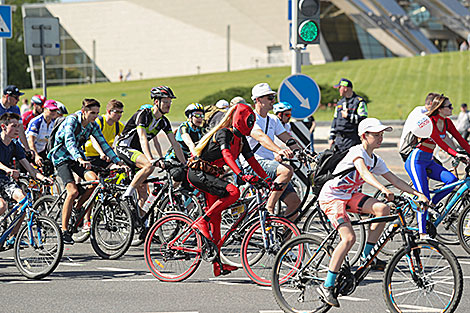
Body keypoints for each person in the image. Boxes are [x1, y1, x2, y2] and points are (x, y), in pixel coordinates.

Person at [317, 118, 429, 308]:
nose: (381, 138)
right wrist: (382, 189)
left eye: (381, 134)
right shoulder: (357, 151)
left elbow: (394, 179)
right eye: (376, 135)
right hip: (332, 196)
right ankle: (326, 285)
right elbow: (364, 173)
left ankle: (367, 257)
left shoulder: (375, 159)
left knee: (382, 209)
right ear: (364, 136)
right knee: (348, 238)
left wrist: (417, 194)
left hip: (349, 195)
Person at [188, 103, 270, 276]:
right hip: (198, 174)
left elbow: (253, 161)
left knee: (216, 224)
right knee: (234, 192)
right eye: (249, 120)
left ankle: (218, 265)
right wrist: (241, 174)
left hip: (212, 177)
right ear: (241, 119)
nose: (251, 123)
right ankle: (201, 221)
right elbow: (226, 155)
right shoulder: (224, 133)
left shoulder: (241, 140)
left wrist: (268, 180)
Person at [48, 98, 124, 245]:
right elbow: (69, 140)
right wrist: (79, 158)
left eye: (97, 113)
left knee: (95, 182)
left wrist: (117, 161)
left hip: (78, 158)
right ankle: (64, 231)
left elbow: (103, 143)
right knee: (72, 192)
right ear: (84, 112)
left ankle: (77, 209)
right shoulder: (72, 121)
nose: (95, 116)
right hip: (62, 157)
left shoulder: (92, 125)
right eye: (92, 113)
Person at [405, 94, 470, 238]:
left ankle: (431, 205)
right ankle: (422, 234)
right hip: (416, 161)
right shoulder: (430, 121)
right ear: (440, 109)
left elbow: (461, 140)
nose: (452, 108)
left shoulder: (447, 123)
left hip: (428, 160)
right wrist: (456, 154)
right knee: (423, 196)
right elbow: (440, 143)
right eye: (449, 106)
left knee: (452, 180)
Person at [116, 86, 186, 209]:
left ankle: (141, 223)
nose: (168, 105)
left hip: (137, 152)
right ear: (156, 102)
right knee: (148, 166)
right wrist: (150, 158)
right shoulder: (143, 115)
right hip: (124, 147)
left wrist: (184, 163)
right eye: (165, 101)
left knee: (144, 195)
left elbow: (175, 143)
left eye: (170, 102)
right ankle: (126, 196)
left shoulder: (164, 121)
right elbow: (142, 138)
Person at [246, 83, 301, 220]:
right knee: (286, 171)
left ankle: (284, 240)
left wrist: (305, 152)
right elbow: (261, 138)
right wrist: (279, 150)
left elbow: (287, 138)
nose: (273, 101)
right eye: (270, 98)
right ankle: (268, 207)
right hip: (253, 163)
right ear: (258, 100)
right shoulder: (251, 119)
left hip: (268, 163)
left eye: (273, 97)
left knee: (295, 203)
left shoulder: (273, 119)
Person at [0, 113, 52, 246]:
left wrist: (42, 177)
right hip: (4, 174)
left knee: (24, 202)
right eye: (14, 126)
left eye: (19, 126)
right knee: (2, 206)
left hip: (4, 180)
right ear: (3, 127)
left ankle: (12, 237)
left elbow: (29, 167)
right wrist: (8, 169)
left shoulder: (15, 145)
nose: (18, 129)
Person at [165, 103, 204, 187]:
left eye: (202, 115)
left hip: (187, 159)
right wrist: (196, 156)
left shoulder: (200, 130)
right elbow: (190, 143)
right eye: (197, 115)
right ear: (190, 117)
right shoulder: (184, 127)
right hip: (174, 158)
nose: (200, 118)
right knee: (179, 176)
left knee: (191, 183)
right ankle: (166, 196)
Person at [329, 78, 368, 151]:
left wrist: (348, 116)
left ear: (345, 88)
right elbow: (335, 120)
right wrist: (331, 138)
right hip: (339, 141)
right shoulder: (340, 103)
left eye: (340, 87)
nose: (339, 90)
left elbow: (363, 120)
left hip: (352, 140)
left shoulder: (359, 102)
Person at [85, 99, 125, 169]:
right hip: (90, 155)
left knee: (119, 170)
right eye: (117, 112)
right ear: (109, 111)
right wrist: (101, 153)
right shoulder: (99, 122)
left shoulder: (119, 126)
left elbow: (126, 139)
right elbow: (94, 140)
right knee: (93, 178)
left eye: (121, 112)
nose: (120, 115)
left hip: (106, 156)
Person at [26, 99, 59, 167]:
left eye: (55, 110)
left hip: (41, 150)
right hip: (28, 150)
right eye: (51, 110)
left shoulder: (54, 122)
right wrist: (36, 155)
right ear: (45, 109)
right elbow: (30, 142)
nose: (54, 112)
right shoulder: (37, 122)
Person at [0, 85, 32, 153]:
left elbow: (20, 128)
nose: (18, 100)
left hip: (11, 142)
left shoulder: (16, 109)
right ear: (7, 96)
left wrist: (27, 148)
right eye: (16, 97)